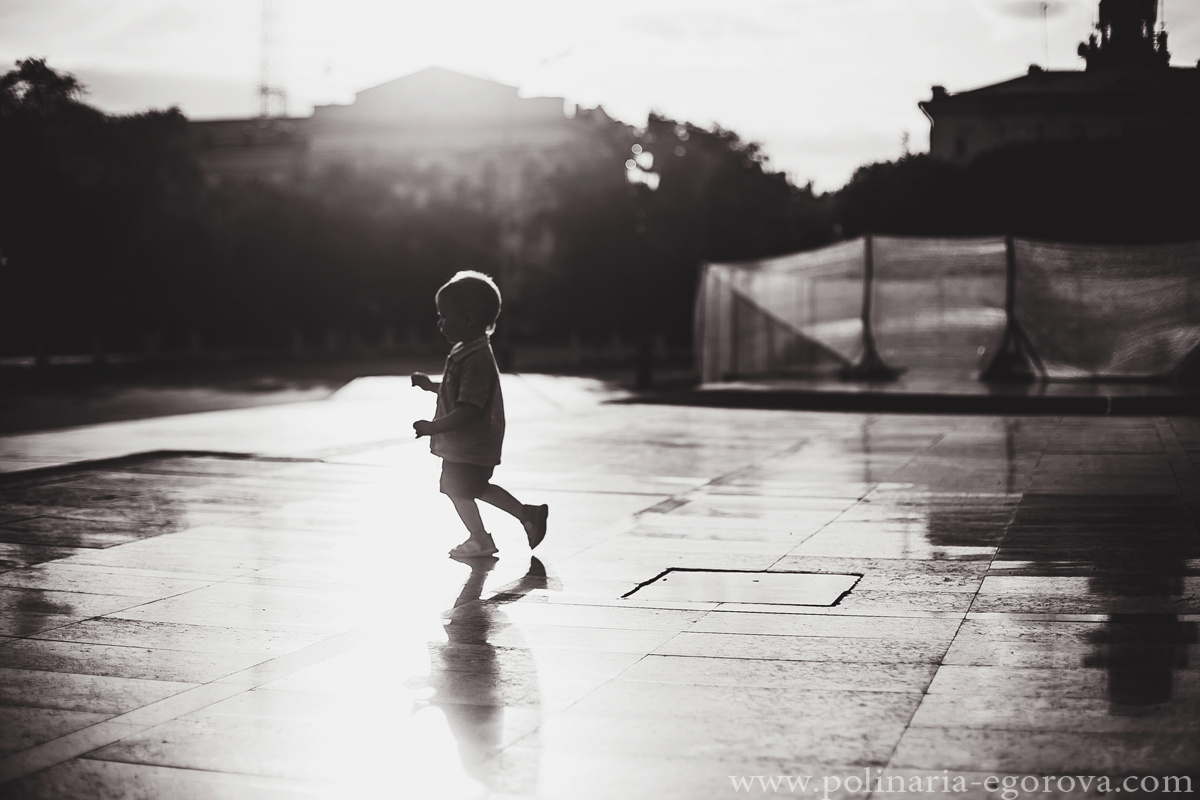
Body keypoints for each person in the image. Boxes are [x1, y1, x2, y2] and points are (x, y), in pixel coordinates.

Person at [412, 271, 549, 558]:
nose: (439, 322)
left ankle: (480, 539)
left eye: (444, 315)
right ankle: (527, 514)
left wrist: (432, 427)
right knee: (475, 487)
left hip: (469, 445)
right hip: (469, 446)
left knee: (458, 489)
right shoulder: (466, 352)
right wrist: (431, 387)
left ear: (469, 320)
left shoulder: (476, 360)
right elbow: (457, 392)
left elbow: (470, 410)